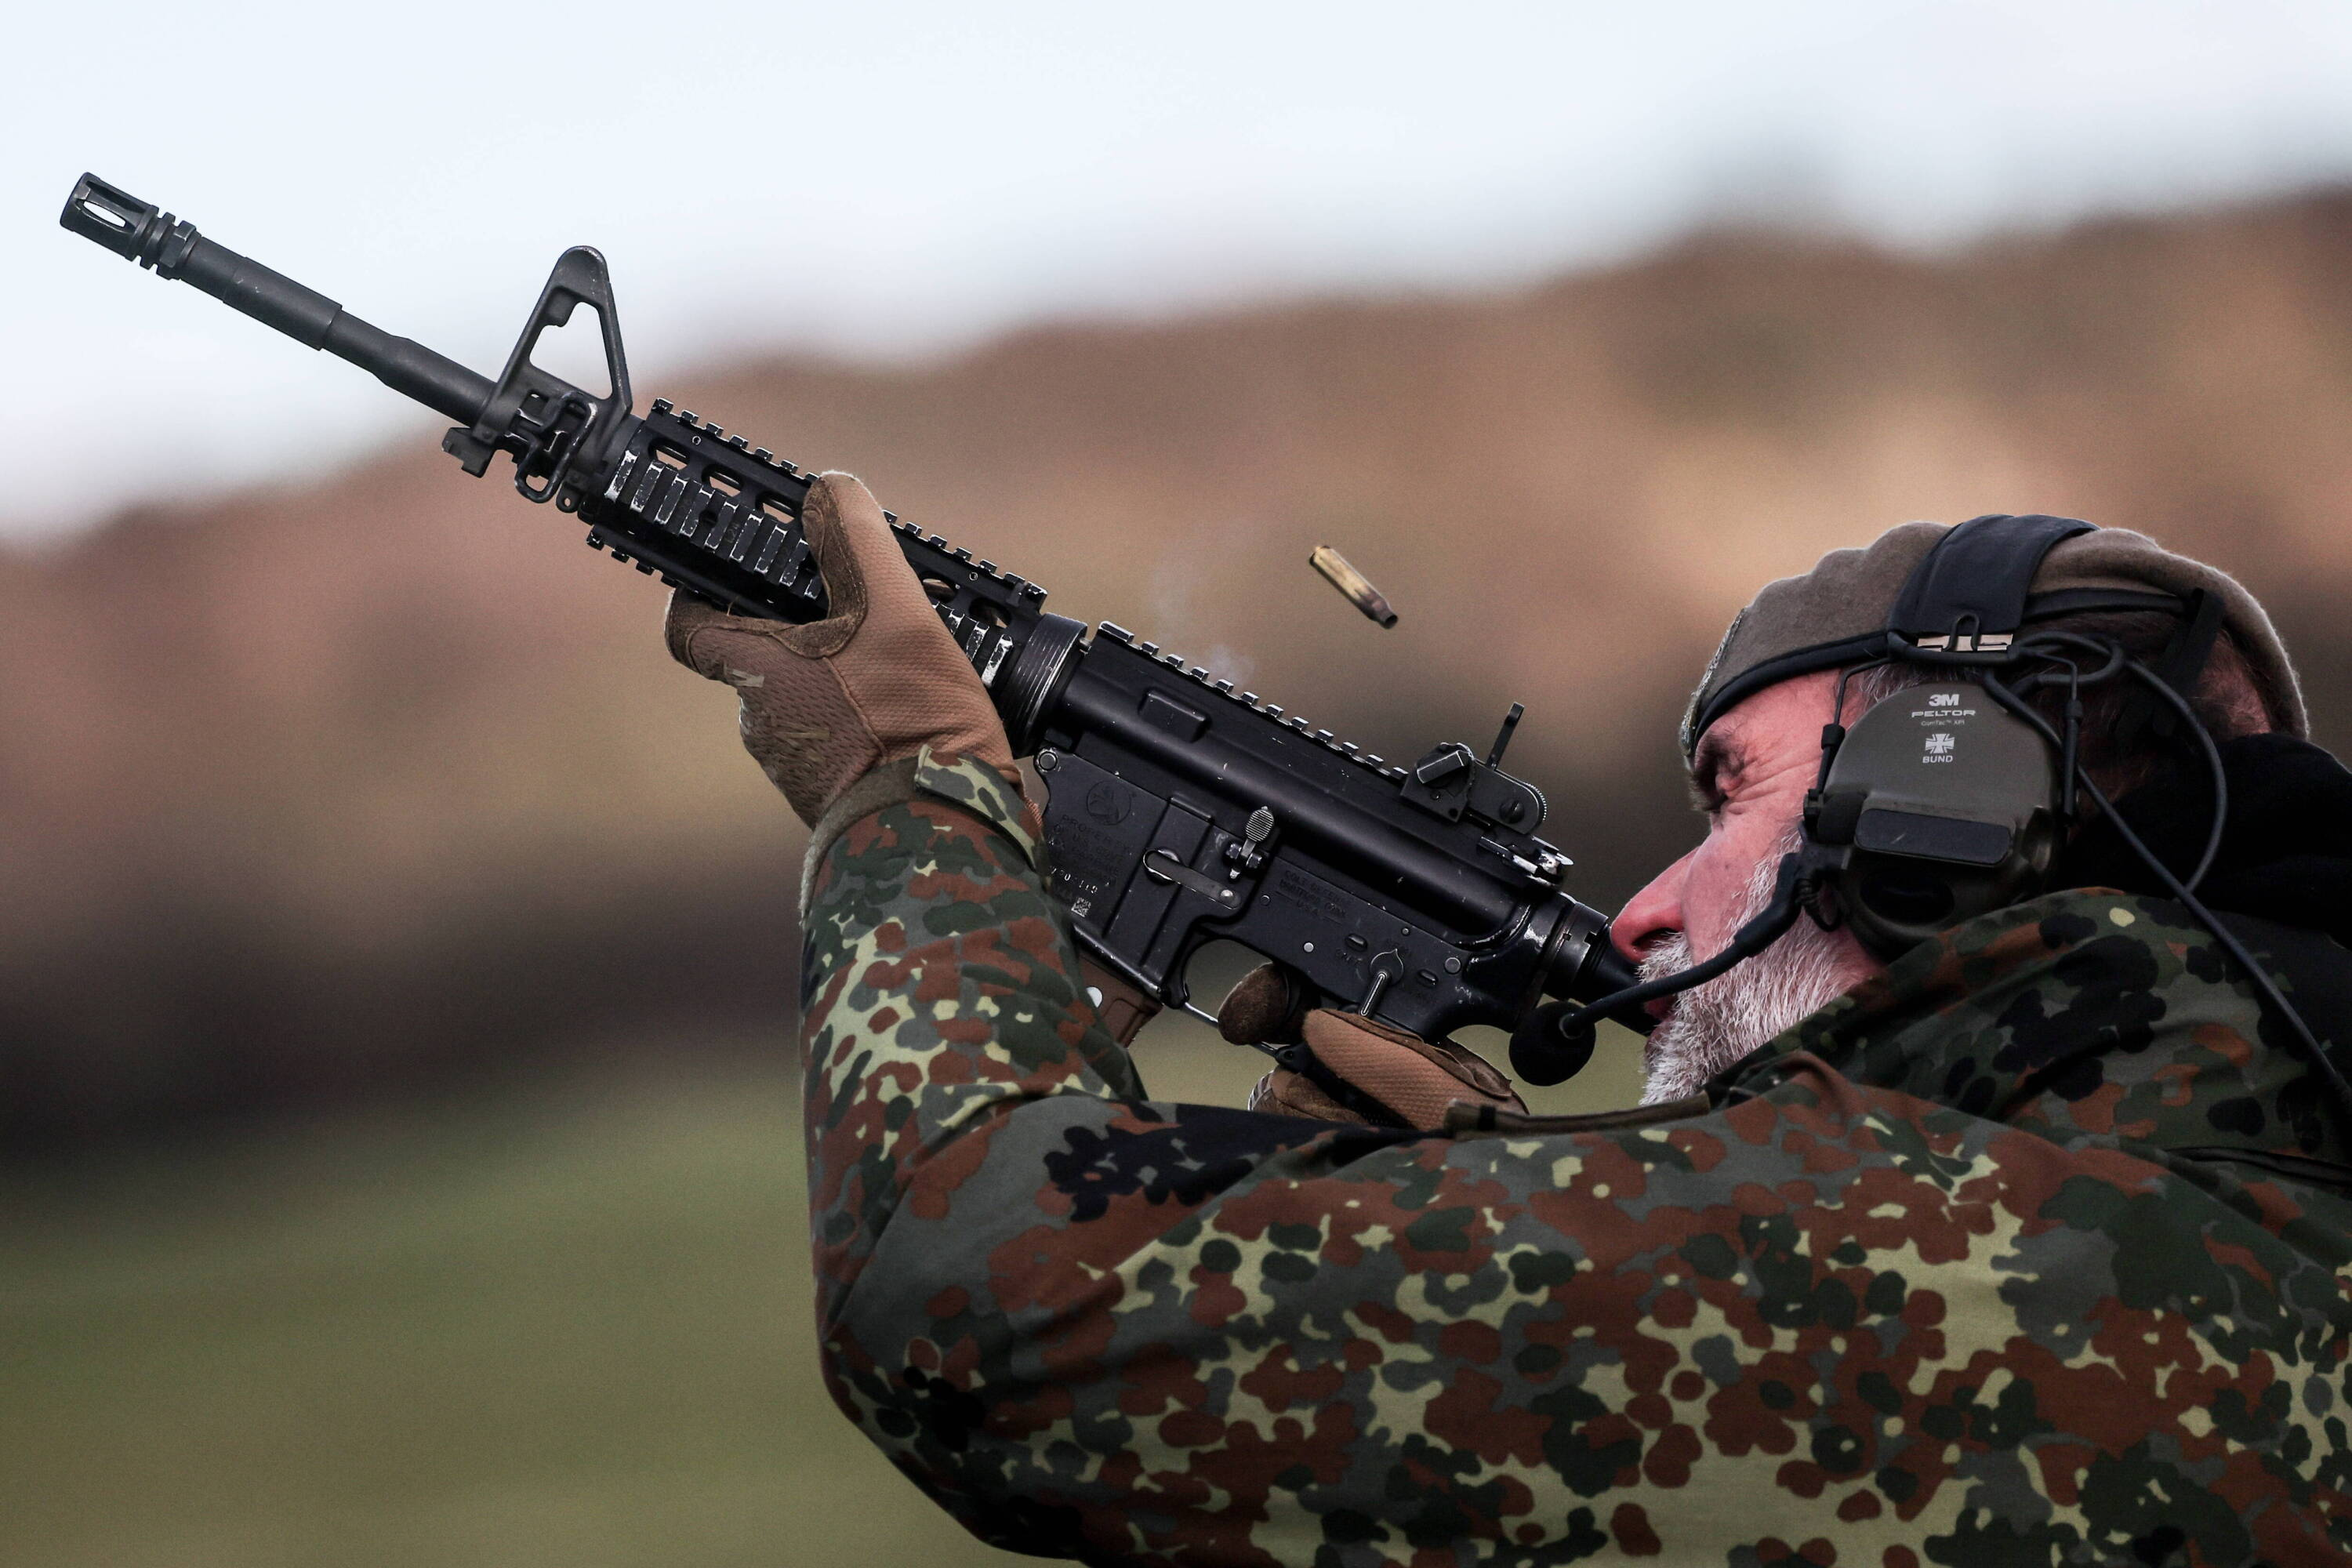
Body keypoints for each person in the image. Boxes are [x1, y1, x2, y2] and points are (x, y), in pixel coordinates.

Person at [668, 475, 2352, 1566]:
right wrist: (1464, 1226)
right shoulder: (2245, 1229)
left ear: (1941, 815)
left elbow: (959, 1293)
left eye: (1737, 795)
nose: (1648, 908)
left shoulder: (1918, 1250)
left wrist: (912, 795)